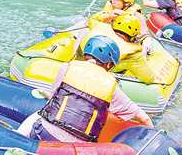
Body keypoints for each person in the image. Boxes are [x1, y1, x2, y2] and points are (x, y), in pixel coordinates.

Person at [17, 35, 153, 143]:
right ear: (109, 64)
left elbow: (54, 96)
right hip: (76, 149)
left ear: (87, 55)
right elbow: (144, 119)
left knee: (38, 115)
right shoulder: (112, 87)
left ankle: (15, 141)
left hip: (44, 132)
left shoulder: (67, 67)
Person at [80, 14, 158, 84]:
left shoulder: (99, 26)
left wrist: (110, 15)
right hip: (103, 73)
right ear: (133, 36)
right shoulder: (133, 54)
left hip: (82, 63)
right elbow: (149, 79)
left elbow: (93, 18)